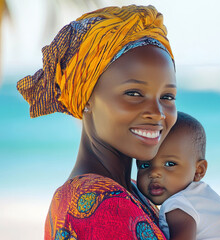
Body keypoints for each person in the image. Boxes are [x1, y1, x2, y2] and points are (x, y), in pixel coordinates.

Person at [16, 5, 176, 239]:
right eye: (134, 93)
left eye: (167, 96)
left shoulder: (126, 190)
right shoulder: (105, 205)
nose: (158, 112)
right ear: (87, 97)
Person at [136, 112, 220, 240]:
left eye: (170, 164)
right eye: (144, 165)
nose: (154, 173)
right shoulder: (202, 196)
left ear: (198, 171)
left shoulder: (177, 204)